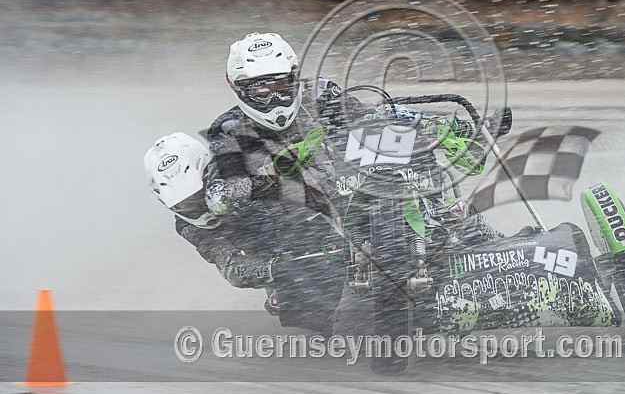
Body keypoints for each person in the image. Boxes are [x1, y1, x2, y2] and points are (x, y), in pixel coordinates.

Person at [204, 32, 509, 245]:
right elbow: (218, 197)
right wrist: (277, 171)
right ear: (238, 88)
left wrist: (441, 127)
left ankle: (464, 225)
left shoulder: (321, 93)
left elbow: (370, 119)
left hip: (357, 188)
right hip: (302, 228)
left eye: (282, 84)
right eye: (262, 89)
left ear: (295, 76)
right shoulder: (228, 129)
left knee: (386, 133)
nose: (275, 97)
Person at [144, 132, 285, 314]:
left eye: (197, 196)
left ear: (206, 172)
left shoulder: (237, 163)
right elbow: (230, 266)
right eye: (185, 204)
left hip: (304, 219)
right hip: (274, 255)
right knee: (288, 306)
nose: (196, 207)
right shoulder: (187, 226)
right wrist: (273, 269)